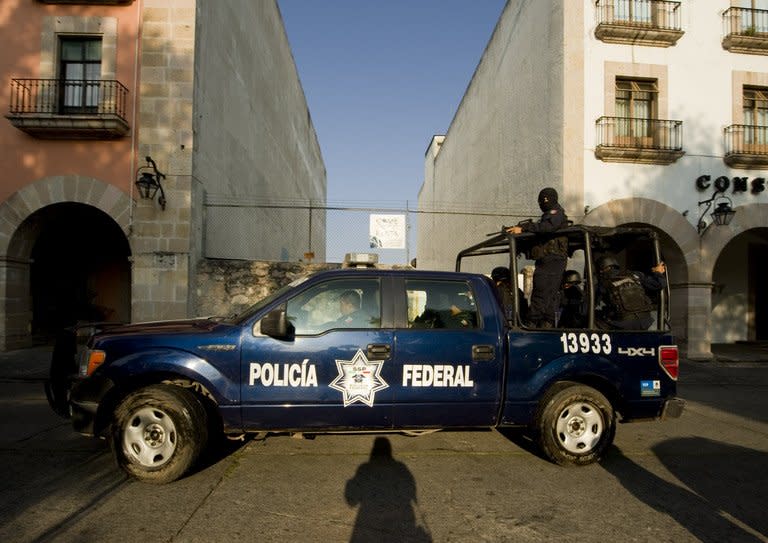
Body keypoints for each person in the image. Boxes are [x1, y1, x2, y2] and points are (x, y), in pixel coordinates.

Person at [506, 187, 568, 328]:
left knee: (541, 292)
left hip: (552, 259)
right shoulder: (549, 215)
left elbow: (547, 227)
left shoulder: (555, 213)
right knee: (548, 294)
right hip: (550, 260)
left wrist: (524, 228)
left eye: (544, 200)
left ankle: (532, 323)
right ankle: (546, 323)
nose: (542, 203)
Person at [595, 255, 667, 330]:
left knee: (595, 316)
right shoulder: (635, 275)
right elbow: (660, 284)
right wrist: (658, 272)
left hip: (622, 325)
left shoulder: (602, 284)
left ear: (600, 271)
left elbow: (584, 310)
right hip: (645, 321)